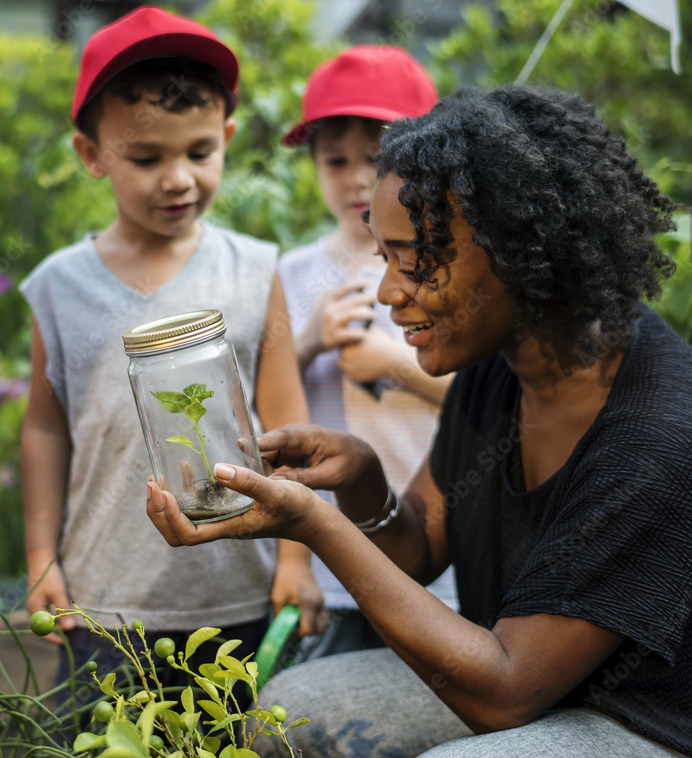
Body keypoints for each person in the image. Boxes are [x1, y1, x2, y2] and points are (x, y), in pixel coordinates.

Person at [148, 84, 692, 757]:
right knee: (288, 714)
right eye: (386, 257)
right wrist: (361, 483)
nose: (388, 292)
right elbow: (419, 548)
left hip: (642, 722)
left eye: (418, 258)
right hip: (536, 685)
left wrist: (312, 523)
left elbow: (504, 692)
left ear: (523, 250)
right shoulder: (501, 366)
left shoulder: (656, 434)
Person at [19, 5, 322, 698]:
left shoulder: (253, 269)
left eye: (199, 152)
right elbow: (42, 428)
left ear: (229, 138)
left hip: (239, 594)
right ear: (91, 154)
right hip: (104, 603)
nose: (178, 178)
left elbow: (286, 420)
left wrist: (296, 562)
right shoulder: (60, 286)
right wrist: (42, 557)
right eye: (146, 157)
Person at [278, 45, 458, 660]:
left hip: (438, 546)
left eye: (376, 161)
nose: (356, 177)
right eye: (335, 161)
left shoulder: (448, 271)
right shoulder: (291, 274)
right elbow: (261, 396)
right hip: (334, 562)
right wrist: (308, 343)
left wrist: (393, 368)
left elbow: (487, 397)